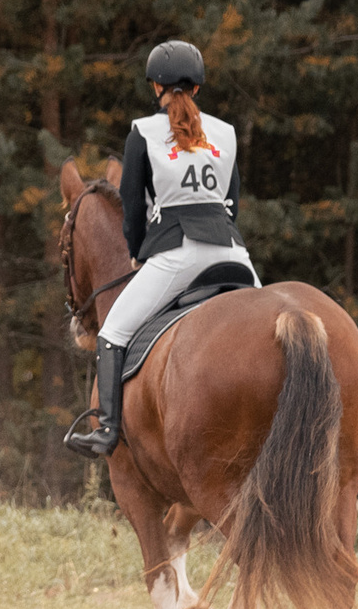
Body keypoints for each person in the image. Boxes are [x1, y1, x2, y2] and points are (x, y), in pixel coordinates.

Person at [63, 39, 258, 460]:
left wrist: (136, 252)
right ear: (198, 88)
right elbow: (233, 203)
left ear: (155, 87)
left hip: (177, 253)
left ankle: (108, 432)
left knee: (112, 333)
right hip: (233, 253)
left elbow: (132, 208)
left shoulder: (144, 132)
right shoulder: (224, 133)